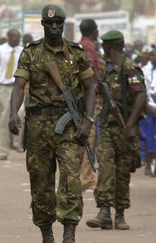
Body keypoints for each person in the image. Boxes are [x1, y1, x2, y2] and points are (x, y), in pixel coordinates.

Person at [9, 5, 95, 243]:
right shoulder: (31, 53)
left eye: (59, 23)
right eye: (50, 23)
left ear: (64, 24)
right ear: (43, 25)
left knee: (70, 179)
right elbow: (18, 86)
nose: (55, 27)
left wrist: (87, 121)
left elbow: (89, 88)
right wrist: (13, 113)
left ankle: (69, 231)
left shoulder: (76, 53)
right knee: (41, 182)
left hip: (68, 125)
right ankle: (46, 232)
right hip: (38, 126)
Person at [86, 30, 146, 231]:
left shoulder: (129, 68)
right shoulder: (106, 69)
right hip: (107, 127)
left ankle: (120, 214)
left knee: (122, 172)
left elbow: (140, 97)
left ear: (110, 47)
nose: (102, 49)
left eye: (104, 46)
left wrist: (129, 125)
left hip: (125, 129)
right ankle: (104, 212)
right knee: (105, 167)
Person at [0, 28, 23, 160]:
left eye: (18, 37)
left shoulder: (22, 51)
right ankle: (2, 150)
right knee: (3, 119)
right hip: (2, 87)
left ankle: (16, 143)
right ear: (8, 37)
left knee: (21, 113)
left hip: (17, 87)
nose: (17, 39)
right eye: (15, 37)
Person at [79, 18, 100, 191]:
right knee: (89, 136)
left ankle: (83, 176)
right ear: (94, 31)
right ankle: (86, 178)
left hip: (80, 96)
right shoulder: (89, 47)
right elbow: (91, 74)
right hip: (90, 97)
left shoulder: (78, 46)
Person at [140, 47, 156, 176]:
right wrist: (150, 106)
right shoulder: (144, 71)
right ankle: (148, 164)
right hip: (149, 107)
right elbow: (143, 91)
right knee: (148, 136)